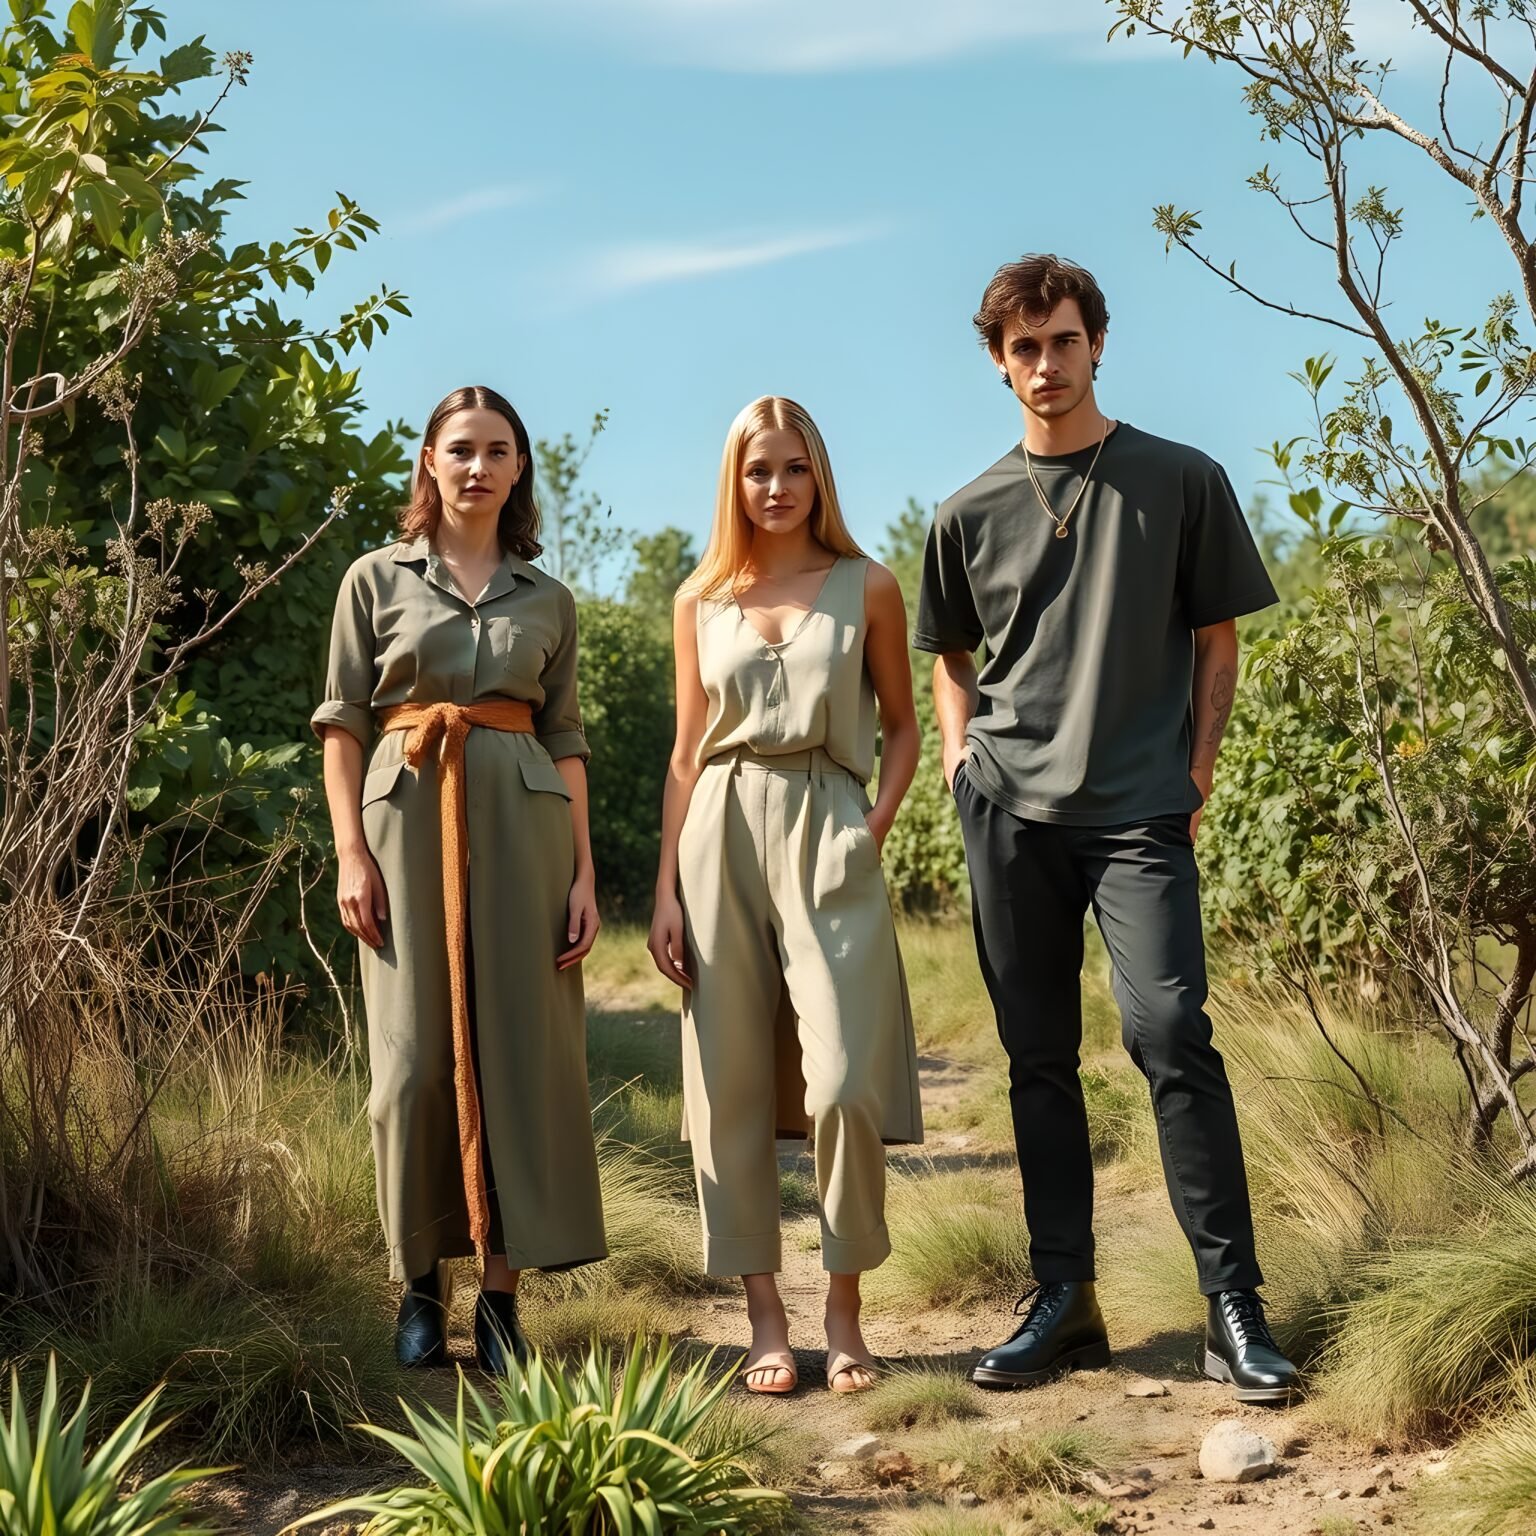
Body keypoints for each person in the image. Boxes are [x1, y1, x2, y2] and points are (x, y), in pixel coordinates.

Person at [914, 255, 1300, 1404]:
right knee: (1038, 1061)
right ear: (999, 361)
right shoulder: (966, 511)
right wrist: (956, 754)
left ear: (1097, 344)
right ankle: (1064, 1300)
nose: (1046, 364)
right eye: (1024, 348)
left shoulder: (1179, 479)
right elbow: (950, 657)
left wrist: (1197, 766)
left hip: (1139, 808)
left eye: (1064, 341)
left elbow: (1219, 640)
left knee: (1170, 1028)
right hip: (1011, 813)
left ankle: (1234, 1308)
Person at [313, 384, 606, 1373]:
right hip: (401, 830)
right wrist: (351, 852)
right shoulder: (373, 579)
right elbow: (344, 727)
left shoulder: (548, 598)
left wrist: (585, 877)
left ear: (520, 468)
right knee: (410, 1068)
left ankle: (502, 1301)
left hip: (527, 836)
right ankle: (417, 1290)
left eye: (497, 449)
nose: (477, 465)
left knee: (519, 1061)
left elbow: (565, 738)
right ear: (429, 463)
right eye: (460, 449)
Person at [648, 396, 924, 1395]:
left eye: (795, 468)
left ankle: (844, 1308)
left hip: (827, 822)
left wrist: (871, 825)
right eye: (759, 470)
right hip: (717, 828)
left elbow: (903, 726)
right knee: (729, 1082)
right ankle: (765, 1315)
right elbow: (683, 754)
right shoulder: (699, 598)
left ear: (820, 476)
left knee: (845, 1081)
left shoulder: (869, 586)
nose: (776, 487)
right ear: (736, 480)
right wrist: (666, 889)